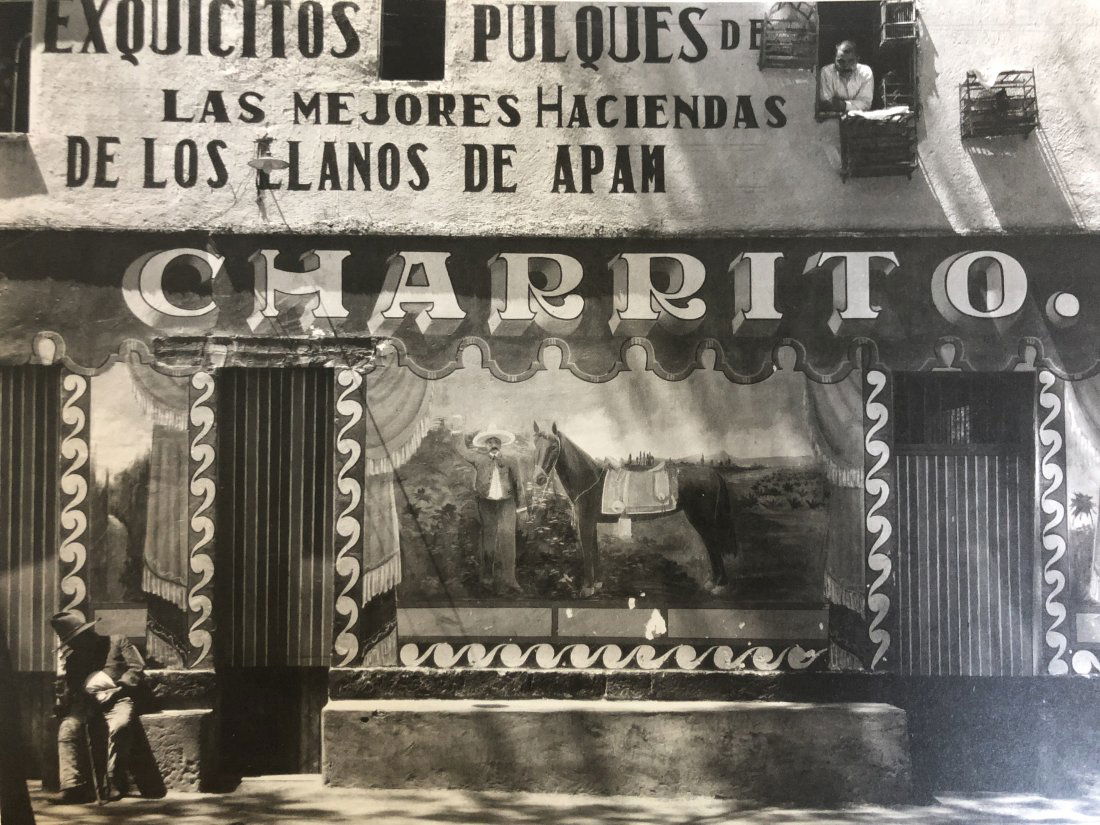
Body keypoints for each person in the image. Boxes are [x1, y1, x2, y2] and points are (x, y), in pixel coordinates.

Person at [50, 610, 145, 804]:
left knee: (120, 726)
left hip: (120, 699)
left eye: (76, 639)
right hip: (88, 703)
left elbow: (137, 668)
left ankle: (113, 781)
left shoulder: (118, 641)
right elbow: (73, 688)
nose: (75, 645)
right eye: (70, 642)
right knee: (68, 729)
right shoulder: (74, 658)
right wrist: (67, 696)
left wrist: (118, 689)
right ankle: (72, 785)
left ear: (87, 633)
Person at [452, 423, 527, 594]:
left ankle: (511, 579)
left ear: (500, 444)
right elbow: (461, 450)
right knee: (488, 540)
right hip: (486, 503)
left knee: (508, 538)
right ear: (485, 444)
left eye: (496, 441)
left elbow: (518, 485)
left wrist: (522, 509)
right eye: (490, 441)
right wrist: (456, 431)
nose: (493, 444)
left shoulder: (510, 460)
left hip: (507, 503)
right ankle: (487, 578)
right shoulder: (478, 459)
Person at [819, 40, 874, 114]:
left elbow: (866, 104)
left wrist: (842, 105)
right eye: (841, 61)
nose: (846, 66)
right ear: (834, 59)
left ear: (858, 59)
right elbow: (826, 103)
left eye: (851, 61)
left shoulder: (865, 72)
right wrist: (855, 105)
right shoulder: (826, 72)